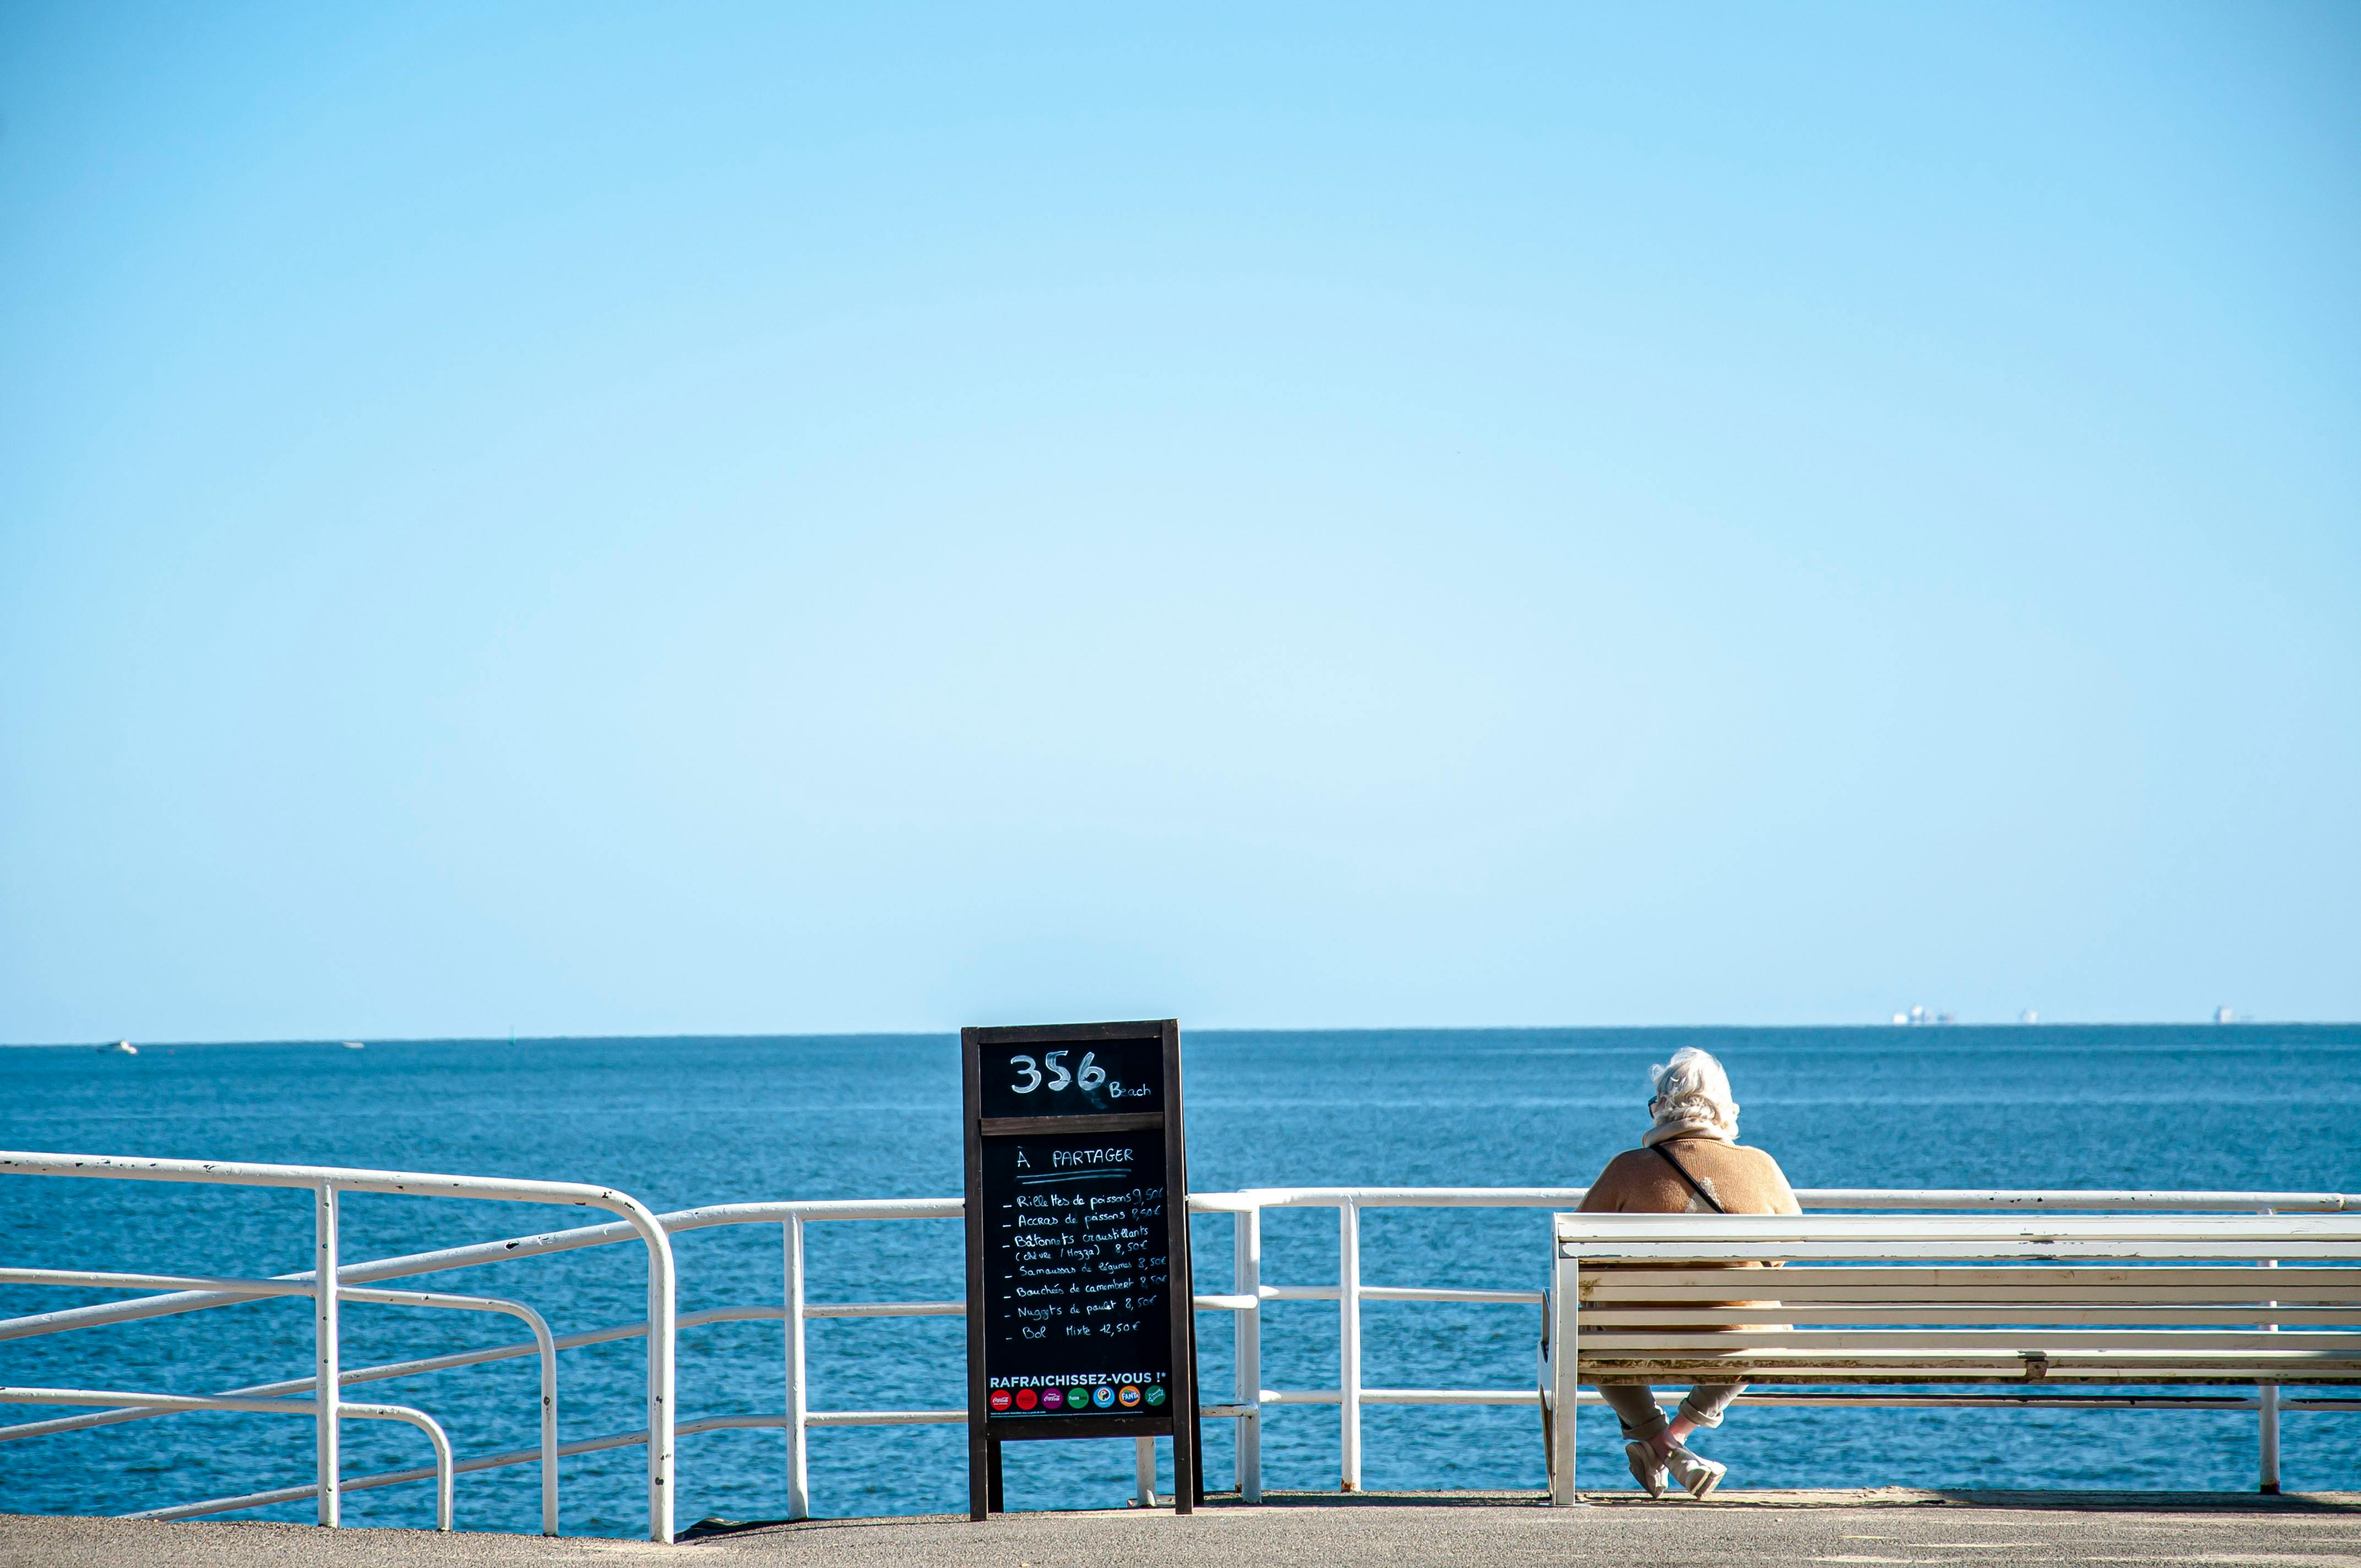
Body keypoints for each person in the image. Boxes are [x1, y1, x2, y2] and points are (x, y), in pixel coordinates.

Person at [1576, 1046, 1799, 1500]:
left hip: (1638, 1336)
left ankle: (1659, 1444)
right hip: (1731, 1339)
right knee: (1765, 1323)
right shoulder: (1761, 1166)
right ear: (1725, 1107)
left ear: (1661, 1106)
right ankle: (1675, 1440)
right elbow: (1786, 1253)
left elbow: (1579, 1256)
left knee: (1586, 1328)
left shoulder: (1626, 1169)